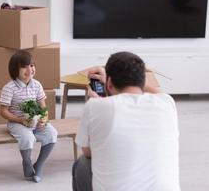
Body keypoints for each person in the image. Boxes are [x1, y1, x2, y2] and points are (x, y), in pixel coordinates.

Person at [72, 52, 180, 191]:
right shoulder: (167, 103)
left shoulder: (95, 106)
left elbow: (88, 152)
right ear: (142, 80)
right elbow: (157, 92)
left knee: (82, 164)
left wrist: (98, 101)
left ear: (109, 83)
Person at [0, 50, 58, 183]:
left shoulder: (36, 85)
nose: (29, 69)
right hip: (17, 123)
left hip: (35, 121)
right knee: (27, 137)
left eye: (31, 65)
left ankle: (39, 165)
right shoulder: (9, 88)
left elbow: (43, 107)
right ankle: (27, 162)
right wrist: (21, 120)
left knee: (52, 133)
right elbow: (3, 111)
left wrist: (44, 119)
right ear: (15, 70)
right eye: (24, 66)